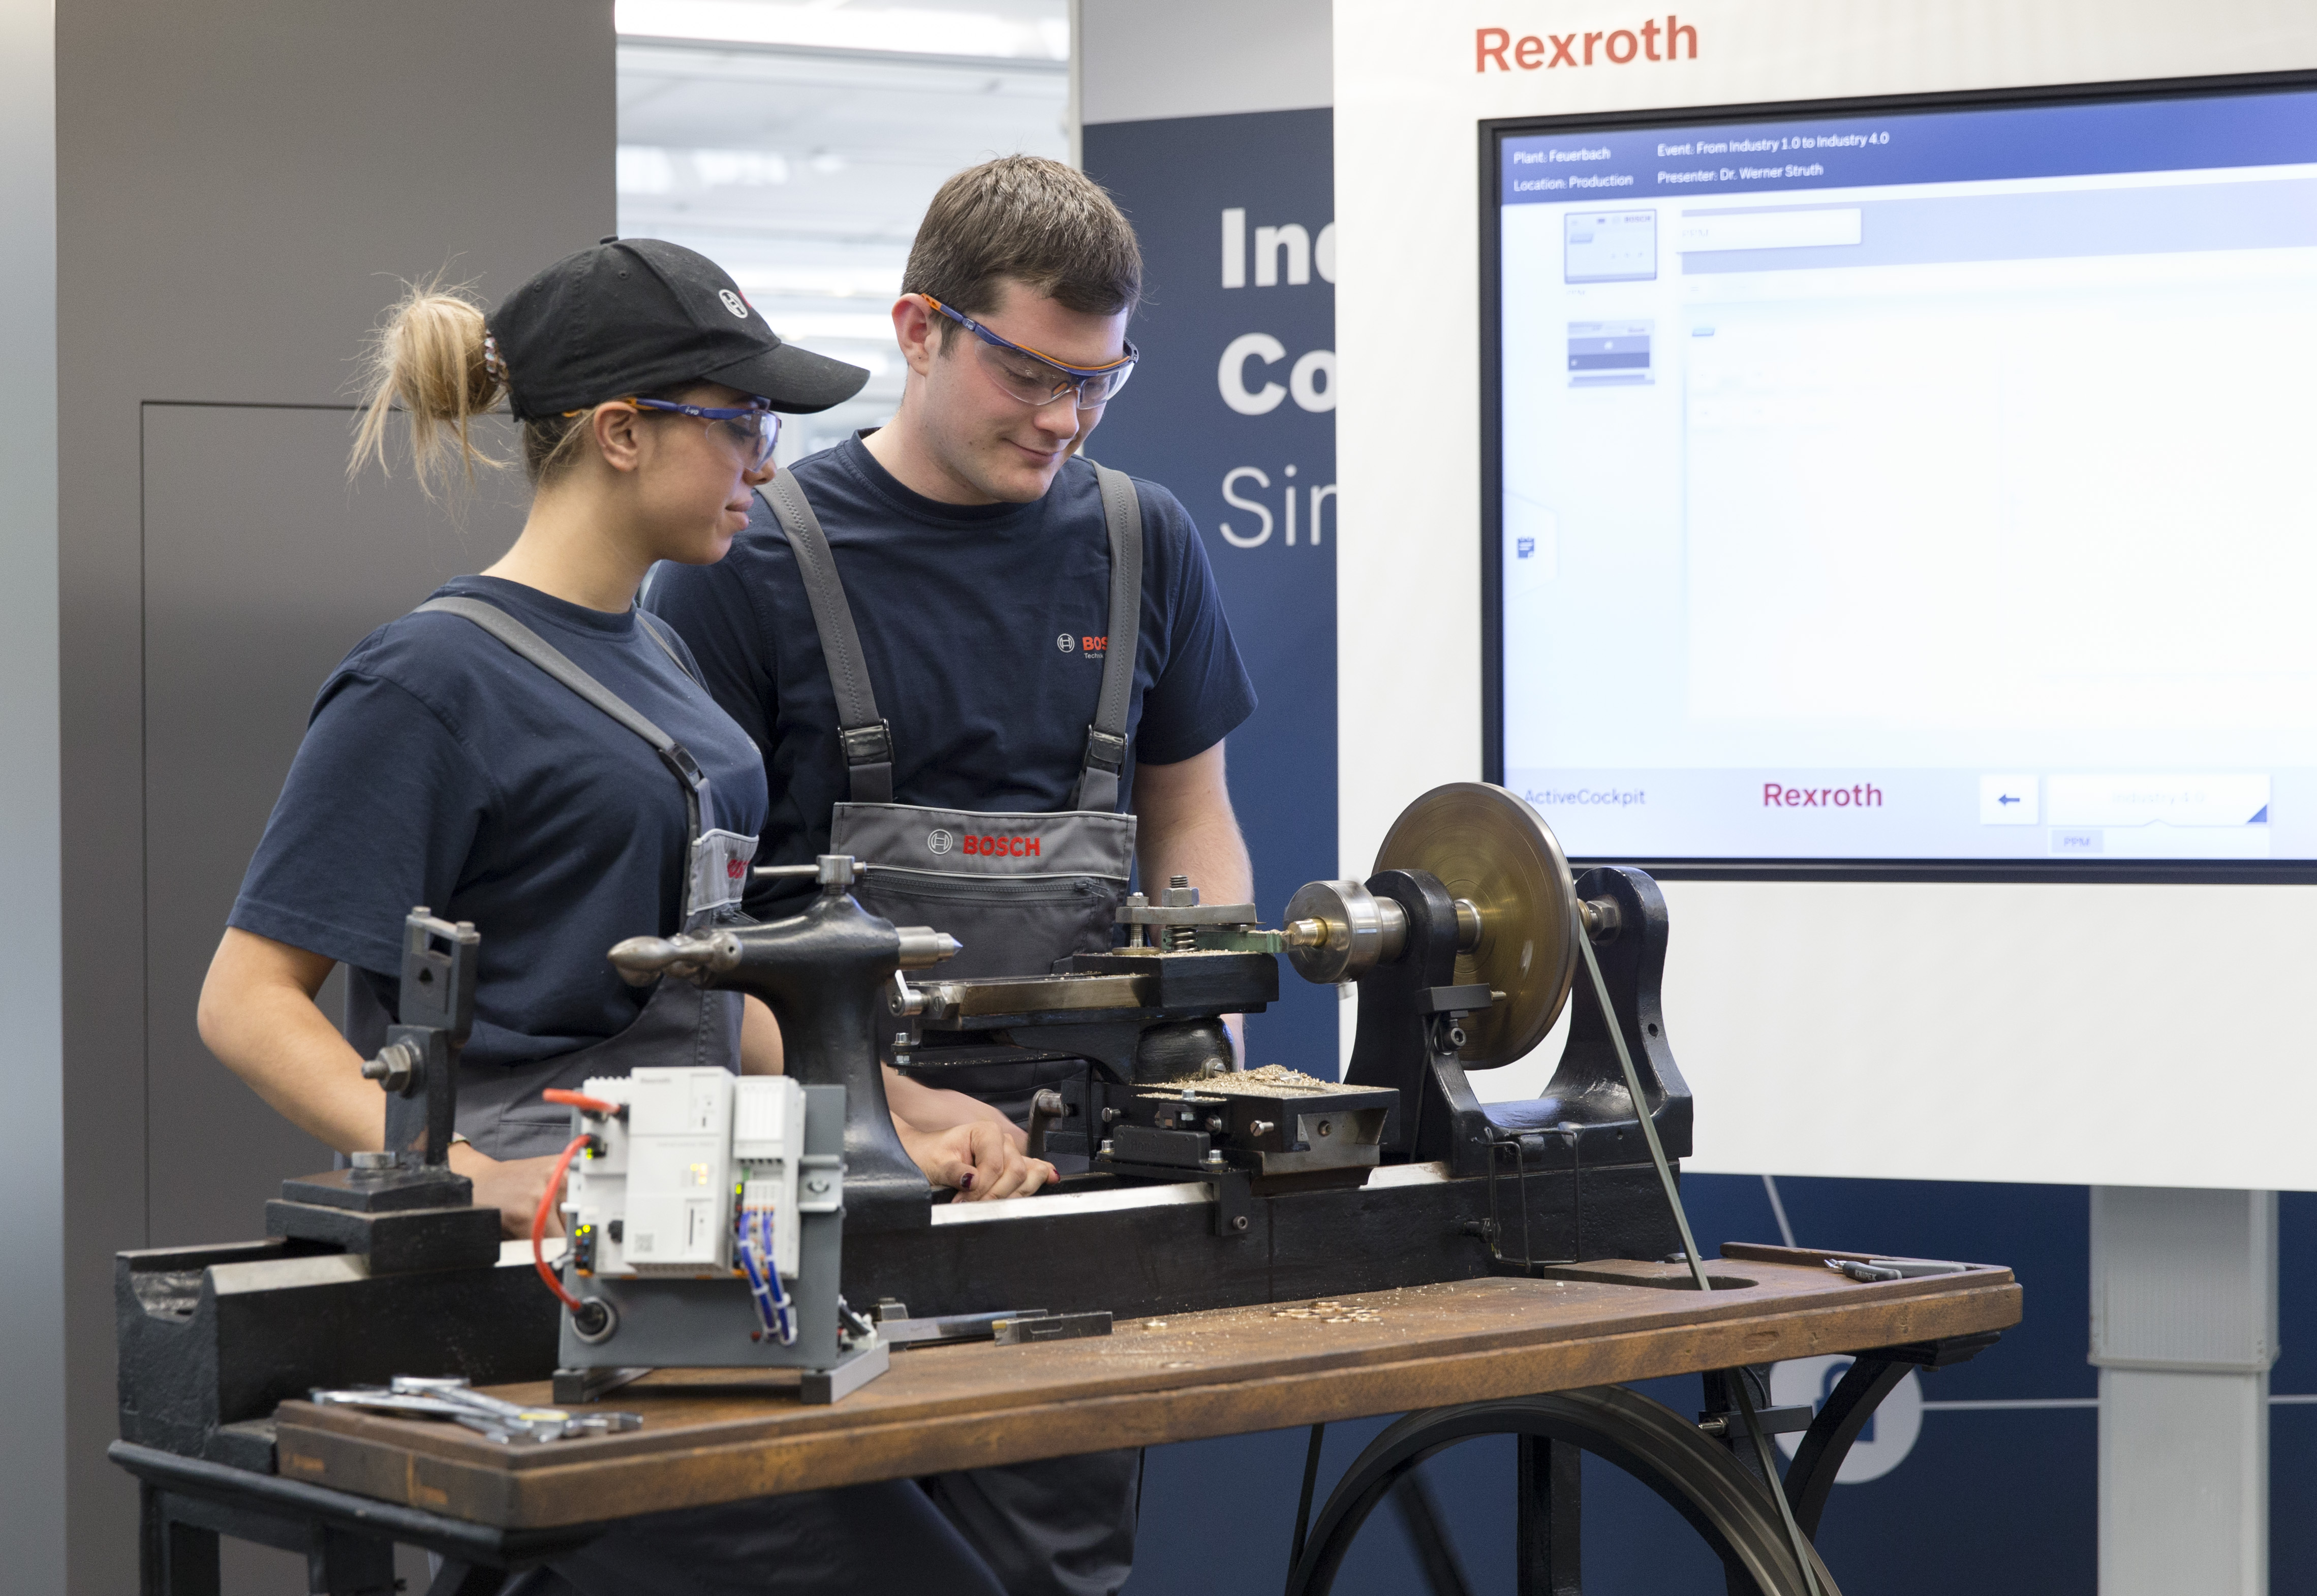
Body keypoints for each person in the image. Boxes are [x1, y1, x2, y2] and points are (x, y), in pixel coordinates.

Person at [646, 157, 1259, 1596]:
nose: (1064, 419)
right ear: (920, 329)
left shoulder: (1141, 539)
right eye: (1031, 374)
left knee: (1055, 1564)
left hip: (1083, 1172)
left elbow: (1191, 819)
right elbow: (692, 920)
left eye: (1097, 383)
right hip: (826, 1177)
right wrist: (862, 1098)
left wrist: (1217, 1037)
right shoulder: (753, 561)